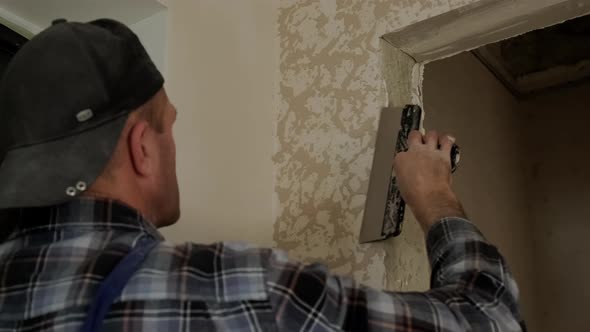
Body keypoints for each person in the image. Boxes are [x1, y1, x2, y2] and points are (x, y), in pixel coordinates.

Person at [0, 19, 525, 331]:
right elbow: (491, 319)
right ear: (142, 148)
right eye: (168, 129)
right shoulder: (237, 290)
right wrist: (434, 196)